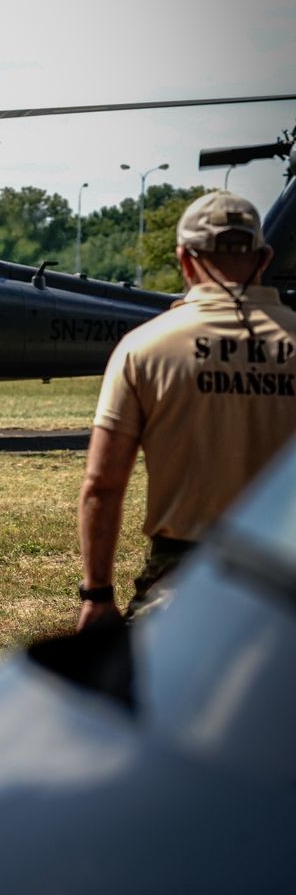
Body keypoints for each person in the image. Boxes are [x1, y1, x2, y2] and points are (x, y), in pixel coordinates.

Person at [77, 190, 296, 631]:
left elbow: (102, 485)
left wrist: (97, 595)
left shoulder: (145, 347)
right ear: (265, 257)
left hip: (181, 582)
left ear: (184, 259)